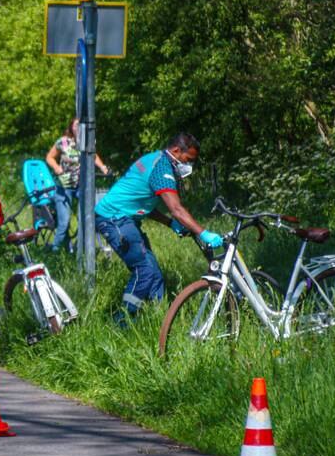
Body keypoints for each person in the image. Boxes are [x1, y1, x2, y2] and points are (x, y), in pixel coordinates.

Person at [94, 132, 222, 325]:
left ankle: (160, 320)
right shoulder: (162, 168)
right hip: (114, 219)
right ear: (177, 151)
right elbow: (177, 209)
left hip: (125, 218)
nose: (189, 166)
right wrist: (203, 232)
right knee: (144, 270)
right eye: (188, 160)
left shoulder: (156, 159)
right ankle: (122, 321)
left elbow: (144, 203)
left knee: (153, 273)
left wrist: (170, 223)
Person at [45, 117, 110, 252]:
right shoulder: (63, 142)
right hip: (63, 187)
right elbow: (49, 157)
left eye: (81, 125)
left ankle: (78, 248)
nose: (78, 128)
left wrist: (103, 167)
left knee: (85, 219)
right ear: (71, 128)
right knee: (64, 222)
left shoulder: (86, 143)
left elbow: (93, 155)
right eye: (76, 125)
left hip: (81, 186)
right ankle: (54, 251)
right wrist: (57, 168)